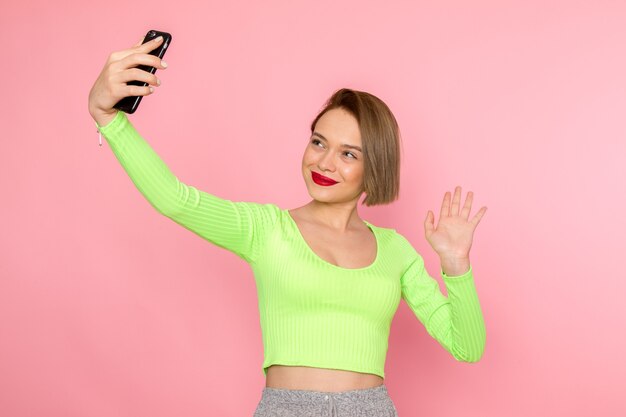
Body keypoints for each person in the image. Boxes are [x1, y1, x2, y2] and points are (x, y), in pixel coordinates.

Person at [88, 36, 488, 417]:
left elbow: (467, 347)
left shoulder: (396, 250)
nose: (325, 162)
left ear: (374, 168)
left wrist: (456, 264)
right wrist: (109, 119)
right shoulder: (266, 229)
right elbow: (174, 199)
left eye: (348, 153)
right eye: (318, 142)